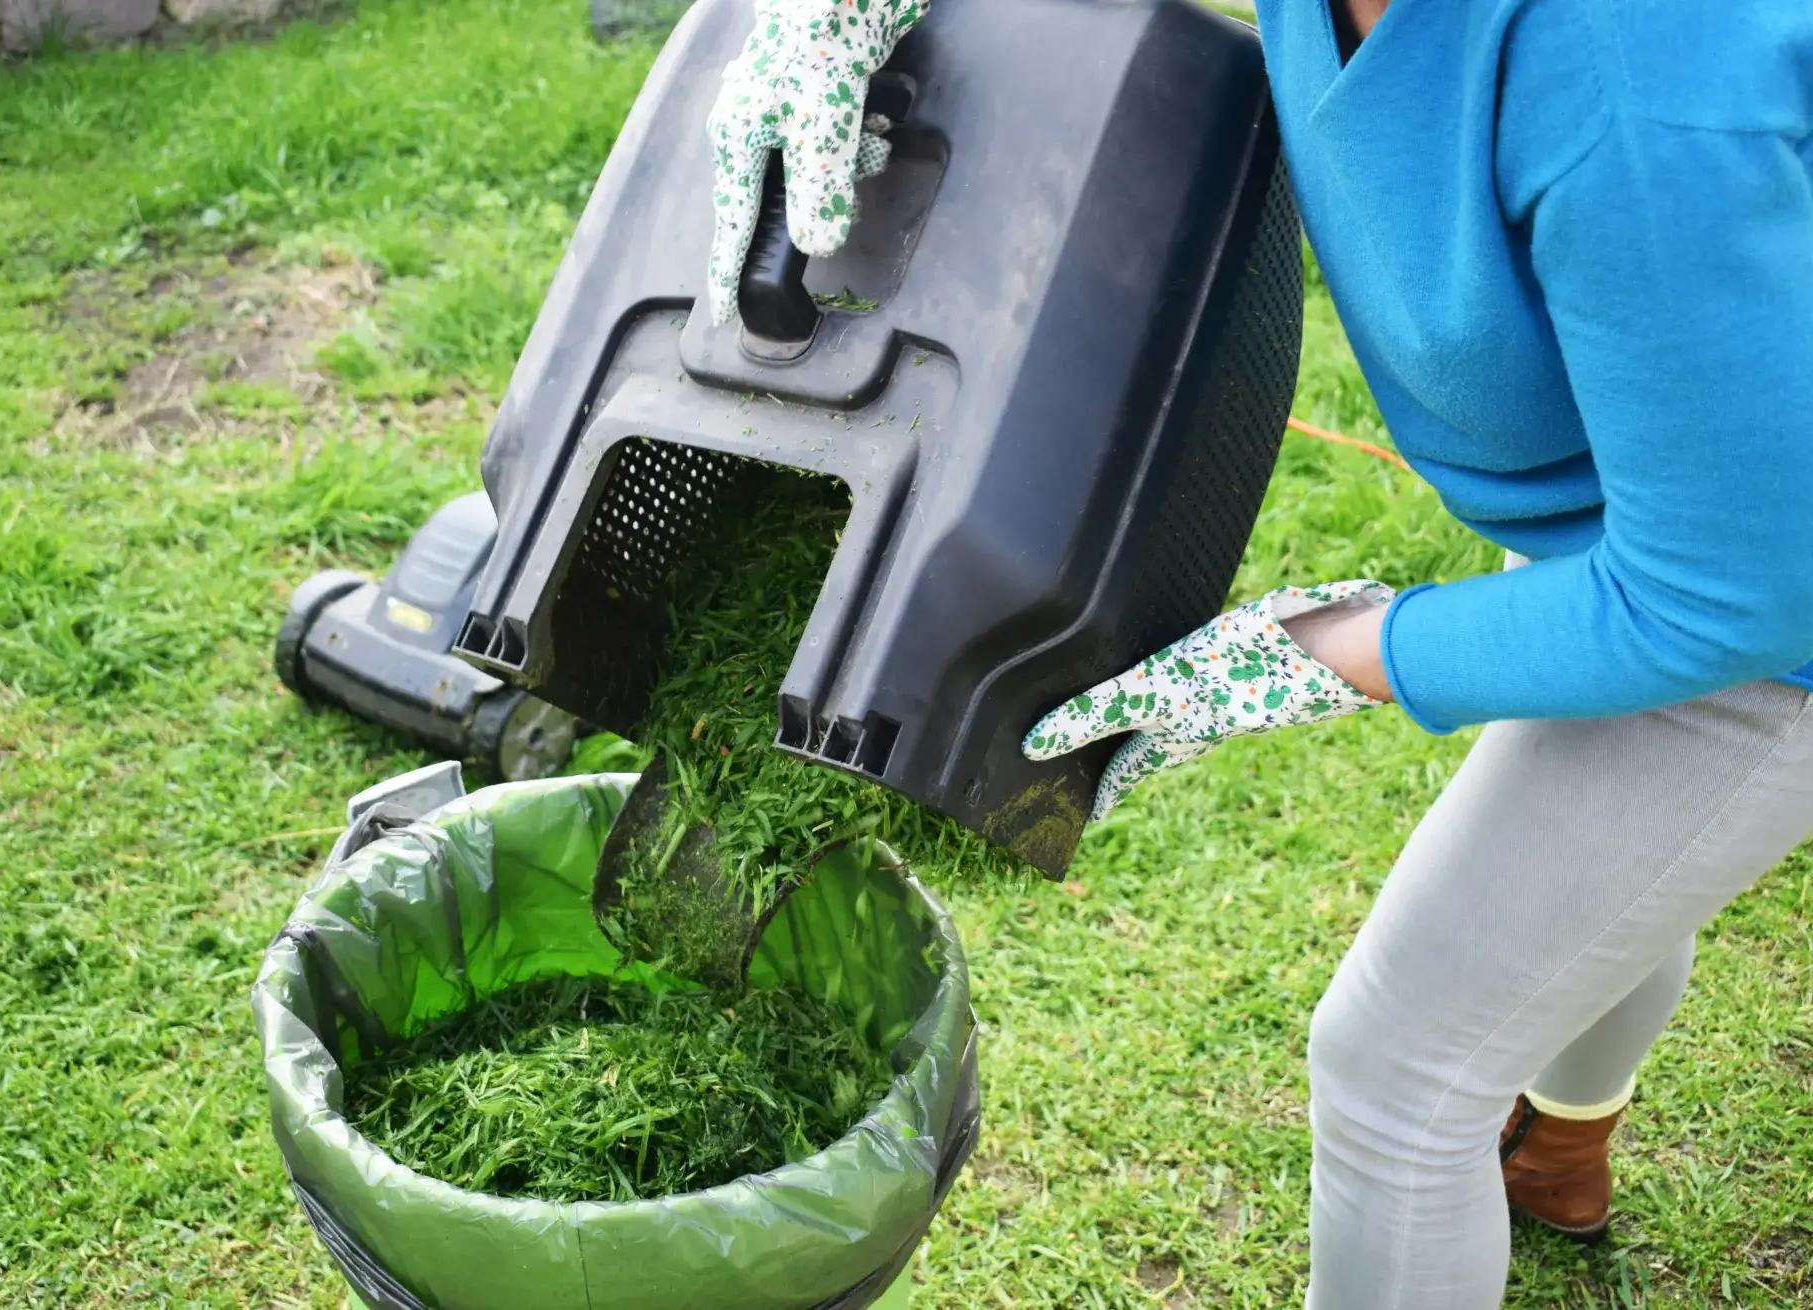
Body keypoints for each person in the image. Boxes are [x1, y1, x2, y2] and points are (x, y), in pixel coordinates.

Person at [706, 0, 1813, 1306]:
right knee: (1589, 862)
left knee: (1396, 1070)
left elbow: (1735, 591)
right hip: (1650, 480)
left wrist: (1333, 646)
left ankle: (1533, 1133)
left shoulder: (1636, 81)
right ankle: (1562, 1143)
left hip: (1763, 590)